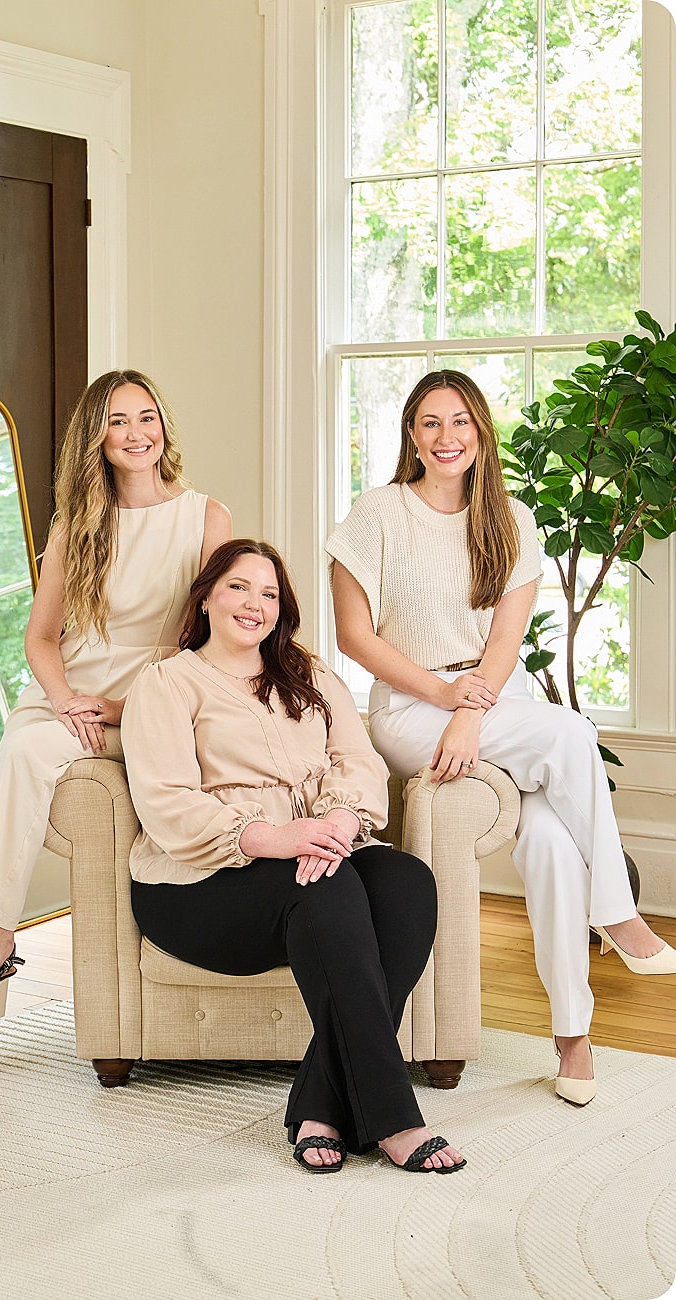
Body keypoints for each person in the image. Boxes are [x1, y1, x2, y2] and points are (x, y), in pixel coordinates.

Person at [326, 368, 676, 1107]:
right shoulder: (377, 512)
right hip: (408, 708)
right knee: (571, 732)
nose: (446, 437)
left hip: (488, 702)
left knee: (550, 843)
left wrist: (471, 709)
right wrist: (444, 696)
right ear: (411, 436)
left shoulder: (511, 518)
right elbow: (353, 638)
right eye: (429, 423)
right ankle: (615, 912)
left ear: (481, 431)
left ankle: (572, 1037)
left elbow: (505, 644)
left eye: (460, 422)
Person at [0, 369, 232, 1091]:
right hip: (67, 701)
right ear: (98, 439)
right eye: (119, 421)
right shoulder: (75, 525)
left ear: (164, 427)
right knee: (13, 772)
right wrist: (65, 700)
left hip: (149, 706)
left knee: (13, 772)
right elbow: (42, 638)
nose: (138, 432)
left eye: (148, 416)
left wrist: (118, 709)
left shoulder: (206, 519)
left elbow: (205, 648)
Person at [122, 538, 466, 1174]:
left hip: (311, 855)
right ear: (205, 597)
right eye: (238, 587)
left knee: (405, 880)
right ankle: (394, 1118)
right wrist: (273, 837)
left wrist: (337, 817)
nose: (255, 604)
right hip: (199, 885)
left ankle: (319, 1103)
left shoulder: (309, 674)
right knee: (325, 889)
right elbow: (166, 803)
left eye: (270, 593)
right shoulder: (166, 682)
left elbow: (358, 762)